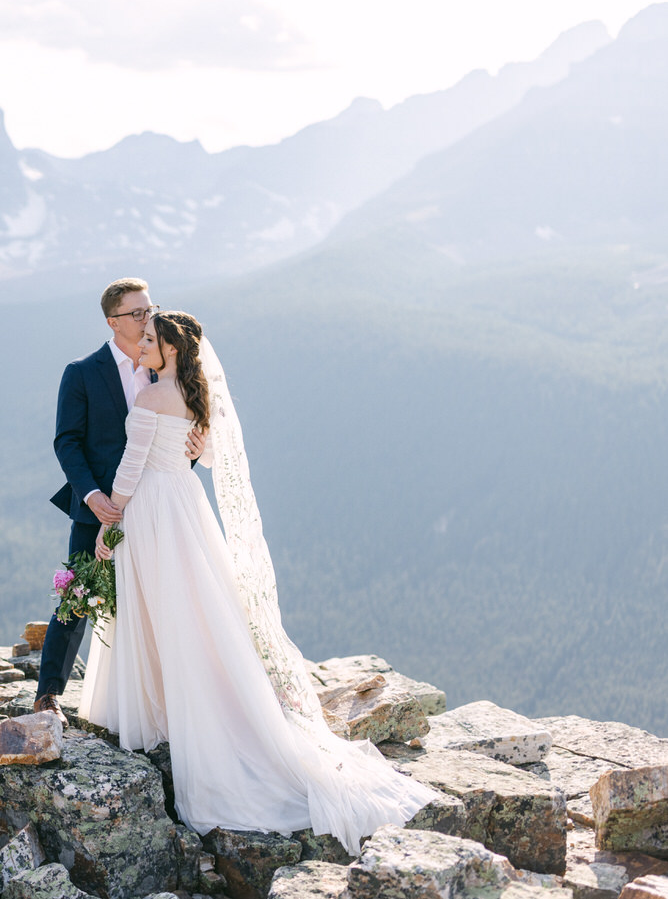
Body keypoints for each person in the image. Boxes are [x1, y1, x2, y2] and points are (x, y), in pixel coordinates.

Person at [78, 310, 438, 852]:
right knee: (193, 608)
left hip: (152, 508)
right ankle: (188, 703)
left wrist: (111, 524)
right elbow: (198, 450)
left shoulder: (151, 398)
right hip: (186, 508)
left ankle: (160, 714)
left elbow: (130, 470)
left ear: (172, 349)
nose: (144, 346)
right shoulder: (193, 398)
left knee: (159, 609)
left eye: (151, 340)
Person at [35, 278, 204, 724]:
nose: (147, 318)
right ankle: (49, 694)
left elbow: (189, 422)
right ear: (113, 322)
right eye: (137, 313)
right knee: (79, 593)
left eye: (150, 309)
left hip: (158, 506)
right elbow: (67, 442)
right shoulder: (82, 372)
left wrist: (197, 443)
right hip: (101, 507)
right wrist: (92, 496)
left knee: (166, 595)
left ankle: (166, 697)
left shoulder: (163, 366)